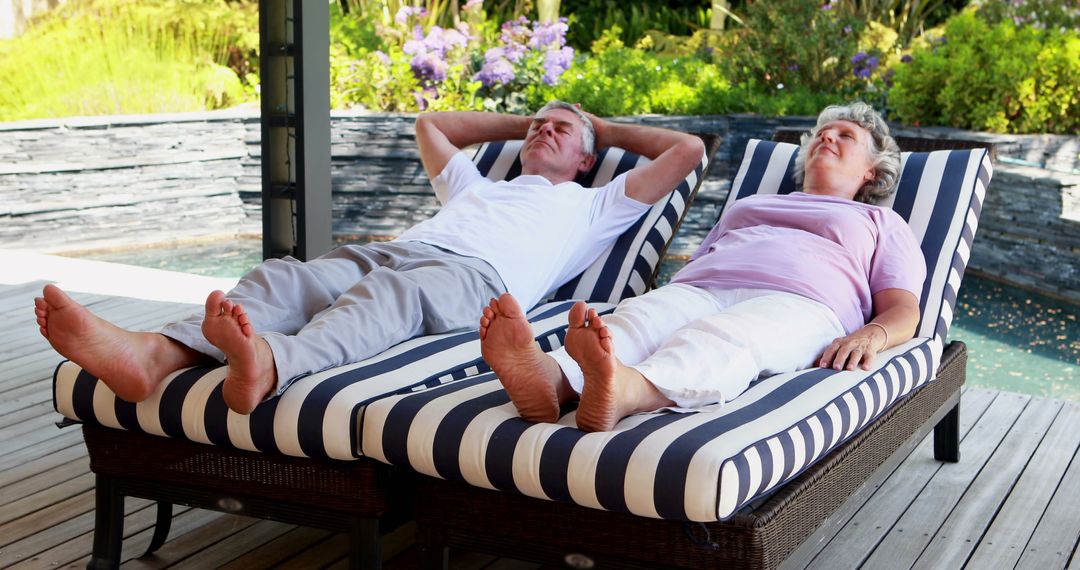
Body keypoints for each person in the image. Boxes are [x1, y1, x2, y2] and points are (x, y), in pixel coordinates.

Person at [34, 101, 705, 414]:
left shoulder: (595, 203)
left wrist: (591, 122)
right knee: (287, 276)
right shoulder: (478, 183)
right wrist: (528, 120)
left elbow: (687, 151)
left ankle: (270, 363)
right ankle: (152, 355)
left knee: (383, 303)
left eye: (558, 131)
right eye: (538, 125)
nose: (542, 130)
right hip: (405, 248)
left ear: (587, 160)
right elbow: (431, 126)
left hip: (472, 282)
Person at [479, 101, 926, 432]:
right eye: (820, 135)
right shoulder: (751, 204)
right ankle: (550, 379)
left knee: (726, 338)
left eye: (844, 137)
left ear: (872, 171)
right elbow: (699, 262)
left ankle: (628, 391)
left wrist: (872, 334)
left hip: (802, 303)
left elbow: (905, 310)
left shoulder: (881, 221)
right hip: (705, 286)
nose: (826, 138)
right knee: (640, 320)